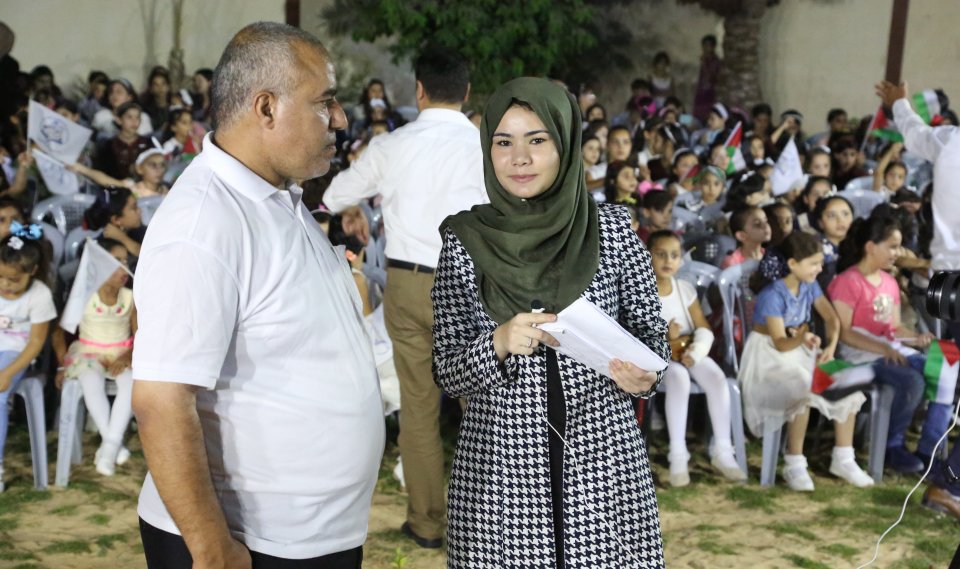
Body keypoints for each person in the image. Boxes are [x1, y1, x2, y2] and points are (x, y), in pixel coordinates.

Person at [132, 22, 383, 568]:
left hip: (307, 536)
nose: (340, 118)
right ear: (266, 107)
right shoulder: (204, 224)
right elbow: (161, 402)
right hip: (250, 544)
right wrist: (212, 551)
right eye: (324, 102)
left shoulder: (273, 195)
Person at [433, 76, 667, 568]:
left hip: (604, 468)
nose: (519, 158)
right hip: (500, 476)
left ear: (565, 144)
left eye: (537, 140)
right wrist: (496, 343)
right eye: (503, 142)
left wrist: (646, 377)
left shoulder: (613, 231)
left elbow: (653, 340)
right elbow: (447, 370)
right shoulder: (466, 240)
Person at [322, 48, 484, 550]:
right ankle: (491, 522)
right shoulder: (487, 147)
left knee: (418, 409)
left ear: (419, 90)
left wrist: (351, 209)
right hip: (473, 285)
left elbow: (333, 195)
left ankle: (427, 524)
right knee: (486, 408)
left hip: (409, 282)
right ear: (467, 93)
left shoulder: (392, 145)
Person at [879, 79, 960, 517]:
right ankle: (946, 481)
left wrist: (899, 104)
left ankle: (938, 467)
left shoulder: (950, 140)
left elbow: (913, 134)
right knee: (947, 369)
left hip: (943, 280)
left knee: (948, 370)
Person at [740, 232, 872, 490]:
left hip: (800, 349)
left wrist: (830, 347)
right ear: (792, 264)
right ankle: (794, 462)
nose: (819, 269)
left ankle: (844, 457)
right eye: (813, 263)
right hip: (769, 357)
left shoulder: (809, 285)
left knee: (844, 380)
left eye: (820, 262)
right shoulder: (772, 295)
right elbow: (780, 342)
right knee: (803, 386)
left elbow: (831, 318)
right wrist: (802, 338)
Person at [827, 215, 937, 474]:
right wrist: (884, 349)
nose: (897, 253)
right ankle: (890, 445)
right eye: (892, 246)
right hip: (859, 356)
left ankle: (930, 446)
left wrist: (916, 338)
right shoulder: (847, 281)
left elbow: (894, 328)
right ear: (870, 247)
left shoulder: (889, 282)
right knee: (912, 381)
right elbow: (845, 333)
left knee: (939, 367)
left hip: (888, 349)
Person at [649, 230, 745, 486]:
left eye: (674, 255)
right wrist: (665, 337)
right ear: (648, 256)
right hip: (659, 358)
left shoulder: (684, 289)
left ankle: (723, 451)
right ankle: (678, 455)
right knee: (679, 378)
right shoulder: (643, 292)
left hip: (687, 350)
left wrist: (696, 352)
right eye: (661, 254)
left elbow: (703, 327)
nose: (668, 260)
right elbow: (638, 334)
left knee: (716, 377)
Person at [52, 238, 135, 477]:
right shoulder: (84, 296)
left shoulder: (130, 297)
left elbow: (139, 333)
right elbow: (59, 332)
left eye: (125, 261)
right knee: (90, 379)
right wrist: (62, 364)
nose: (124, 268)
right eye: (116, 262)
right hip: (88, 351)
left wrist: (127, 355)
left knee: (130, 383)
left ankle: (109, 445)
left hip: (121, 352)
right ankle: (113, 445)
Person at [0, 225, 56, 494]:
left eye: (13, 280)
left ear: (32, 271)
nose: (5, 285)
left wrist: (8, 372)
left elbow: (35, 343)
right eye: (0, 277)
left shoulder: (40, 295)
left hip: (16, 354)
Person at [83, 186, 144, 258]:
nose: (140, 211)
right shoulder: (104, 249)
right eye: (134, 208)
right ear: (116, 220)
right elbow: (148, 257)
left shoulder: (141, 232)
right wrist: (123, 239)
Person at [693, 34, 722, 122]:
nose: (705, 48)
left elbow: (712, 77)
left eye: (708, 45)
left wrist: (704, 64)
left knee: (707, 118)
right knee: (694, 117)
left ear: (713, 47)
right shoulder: (703, 60)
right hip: (700, 94)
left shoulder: (715, 61)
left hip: (710, 95)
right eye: (704, 45)